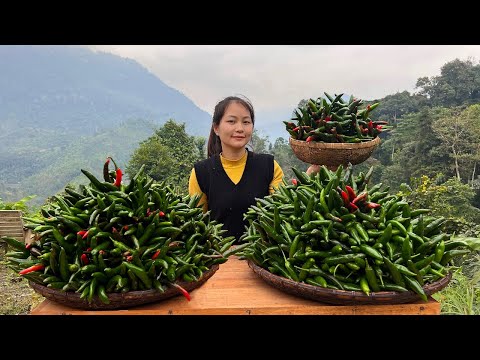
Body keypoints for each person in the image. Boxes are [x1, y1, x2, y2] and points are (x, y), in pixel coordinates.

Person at [188, 95, 284, 243]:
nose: (240, 128)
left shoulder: (269, 166)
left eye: (246, 122)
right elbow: (197, 226)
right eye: (231, 121)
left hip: (263, 260)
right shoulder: (201, 173)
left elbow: (282, 211)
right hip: (218, 261)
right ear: (216, 128)